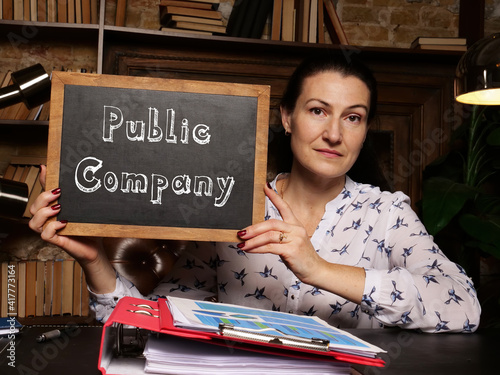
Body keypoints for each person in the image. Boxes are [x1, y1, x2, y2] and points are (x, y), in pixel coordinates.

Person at [29, 54, 481, 333]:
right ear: (286, 118)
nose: (333, 133)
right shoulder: (233, 208)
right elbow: (153, 324)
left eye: (353, 117)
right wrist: (93, 259)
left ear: (365, 131)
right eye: (318, 110)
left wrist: (319, 268)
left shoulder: (388, 213)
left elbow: (462, 307)